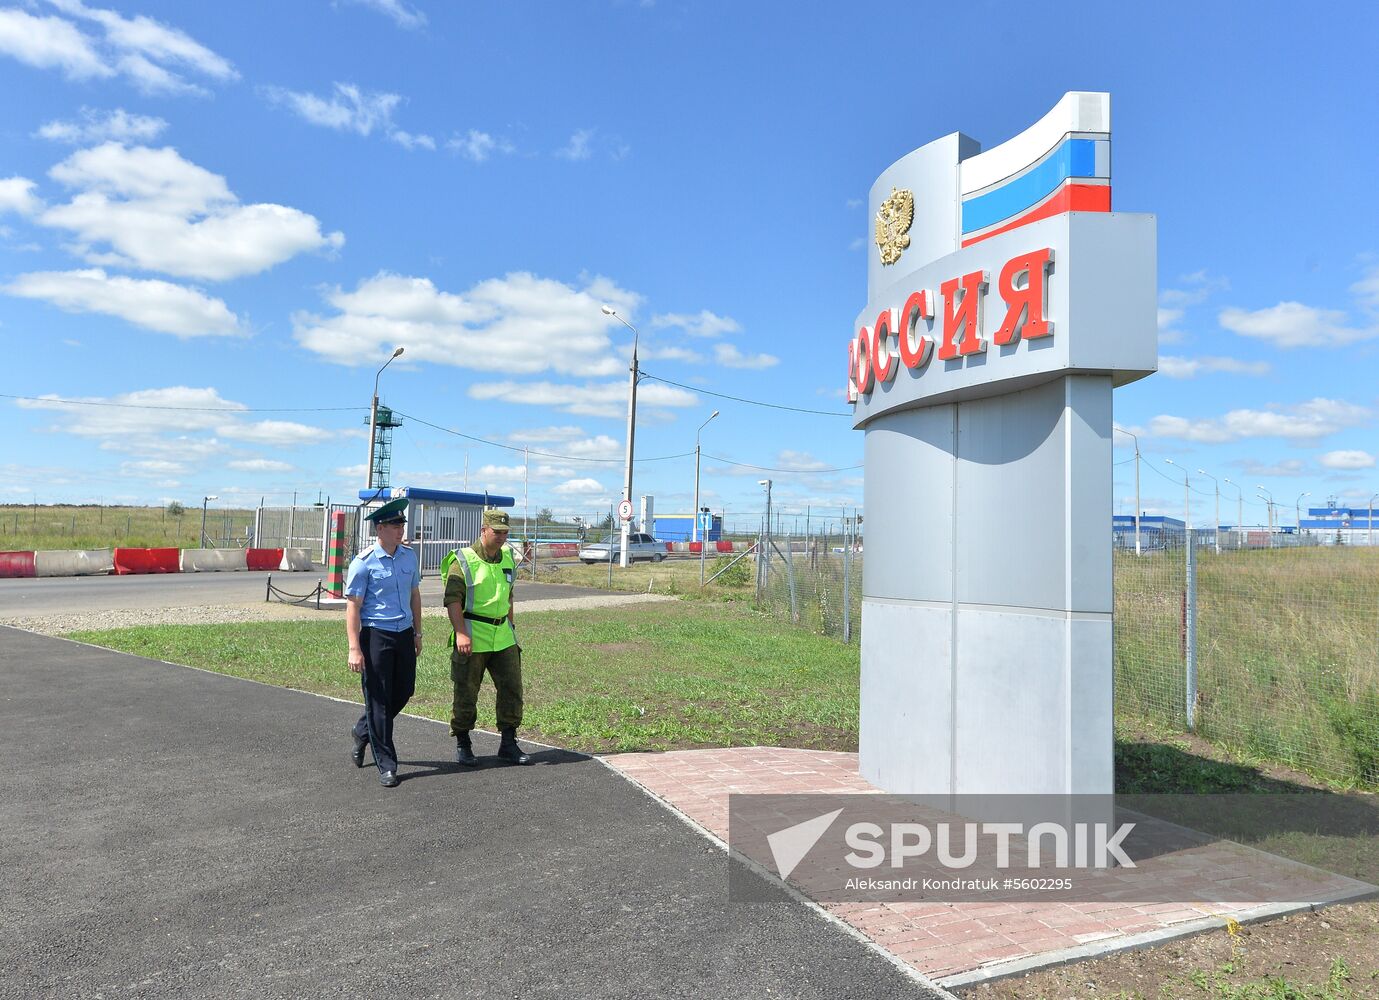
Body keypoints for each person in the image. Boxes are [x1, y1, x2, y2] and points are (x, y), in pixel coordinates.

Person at [345, 496, 424, 788]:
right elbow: (353, 606)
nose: (400, 529)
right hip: (376, 635)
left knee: (404, 690)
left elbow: (415, 594)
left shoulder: (409, 557)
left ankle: (362, 730)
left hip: (404, 633)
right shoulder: (363, 563)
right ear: (379, 529)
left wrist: (418, 632)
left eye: (401, 523)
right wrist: (354, 648)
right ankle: (387, 763)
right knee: (378, 700)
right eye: (393, 524)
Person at [443, 508, 530, 766]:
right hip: (473, 634)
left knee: (512, 689)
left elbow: (509, 596)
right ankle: (463, 742)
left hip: (503, 636)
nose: (502, 537)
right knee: (467, 691)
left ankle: (508, 742)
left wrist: (511, 628)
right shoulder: (463, 559)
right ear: (483, 531)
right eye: (497, 532)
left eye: (505, 532)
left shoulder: (506, 559)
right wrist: (460, 633)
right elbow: (452, 600)